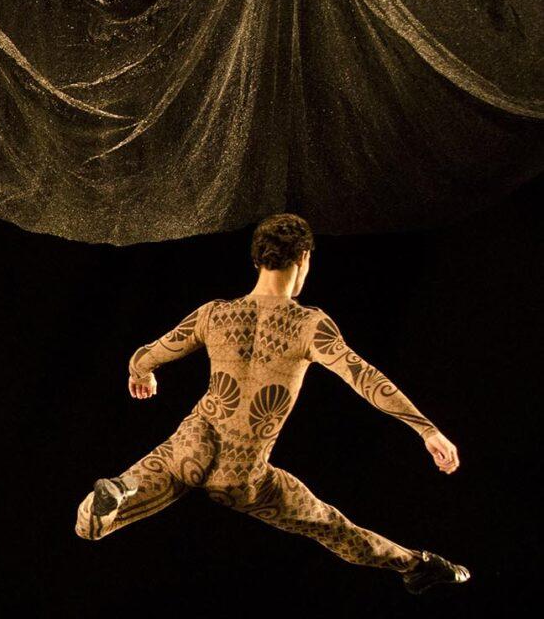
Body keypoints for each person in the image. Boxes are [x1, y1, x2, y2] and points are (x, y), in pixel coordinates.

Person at [75, 213, 469, 594]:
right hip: (243, 476)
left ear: (257, 260)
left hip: (189, 449)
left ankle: (116, 495)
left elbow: (143, 356)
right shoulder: (308, 325)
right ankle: (416, 565)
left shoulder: (215, 315)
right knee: (330, 525)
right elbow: (364, 378)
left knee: (89, 527)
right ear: (304, 259)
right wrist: (427, 430)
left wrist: (141, 375)